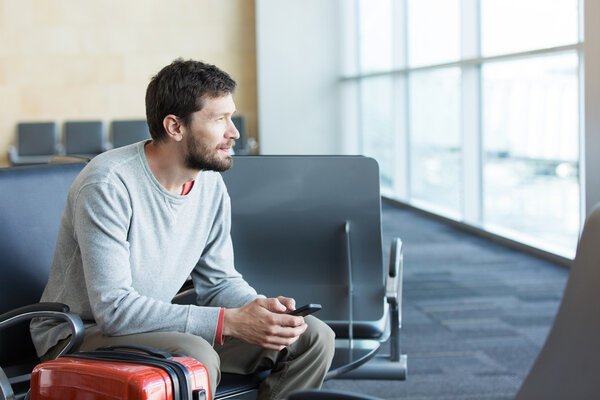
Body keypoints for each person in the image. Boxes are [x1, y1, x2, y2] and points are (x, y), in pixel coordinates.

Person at [30, 59, 335, 400]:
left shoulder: (209, 184)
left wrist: (258, 311)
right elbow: (114, 310)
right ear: (175, 126)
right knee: (195, 357)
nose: (234, 132)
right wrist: (229, 323)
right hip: (80, 336)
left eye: (230, 117)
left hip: (153, 330)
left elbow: (219, 281)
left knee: (312, 338)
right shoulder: (107, 184)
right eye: (219, 119)